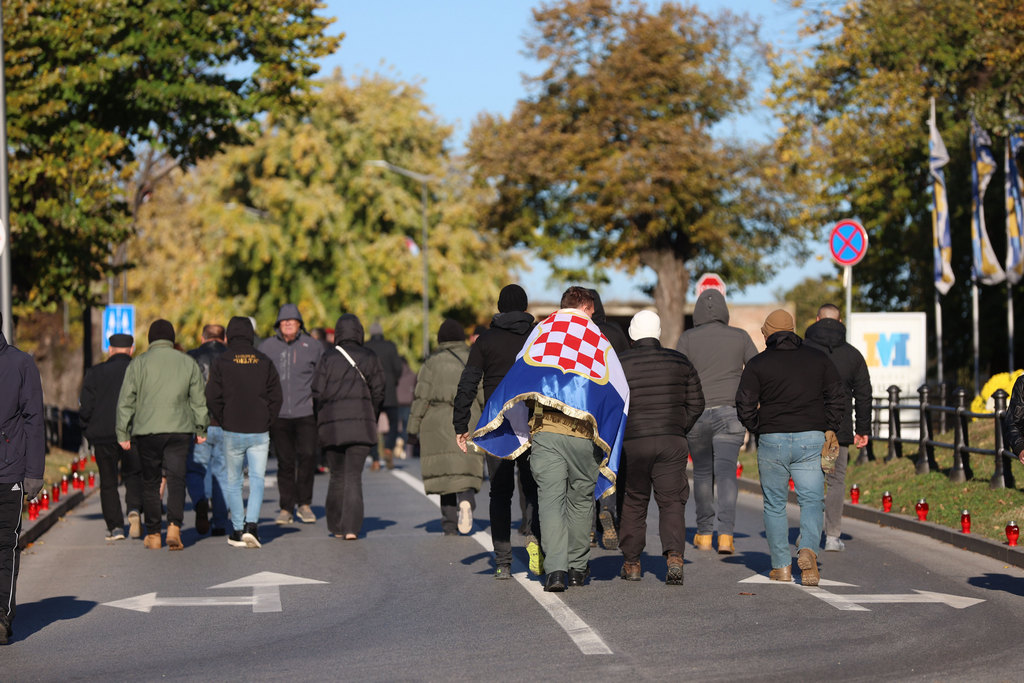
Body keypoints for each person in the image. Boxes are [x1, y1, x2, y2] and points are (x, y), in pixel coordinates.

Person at [470, 286, 629, 592]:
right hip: (584, 434)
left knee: (551, 501)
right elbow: (619, 389)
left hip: (547, 433)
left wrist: (519, 423)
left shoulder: (541, 331)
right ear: (585, 307)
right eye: (592, 311)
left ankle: (555, 570)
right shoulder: (598, 338)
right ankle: (578, 568)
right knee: (582, 501)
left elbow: (522, 371)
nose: (593, 317)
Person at [736, 309, 843, 586]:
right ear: (793, 330)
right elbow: (835, 395)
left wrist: (757, 425)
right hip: (811, 437)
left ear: (768, 333)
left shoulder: (759, 364)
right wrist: (829, 425)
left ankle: (781, 566)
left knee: (774, 505)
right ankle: (808, 549)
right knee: (811, 501)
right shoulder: (818, 359)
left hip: (773, 439)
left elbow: (744, 402)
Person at [453, 284, 541, 580]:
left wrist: (460, 424)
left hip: (498, 425)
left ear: (501, 307)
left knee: (500, 493)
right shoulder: (537, 337)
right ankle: (536, 545)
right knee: (534, 489)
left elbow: (468, 383)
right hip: (533, 421)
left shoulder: (486, 341)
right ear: (525, 306)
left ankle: (503, 561)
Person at [618, 311, 704, 584]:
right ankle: (675, 557)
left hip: (633, 442)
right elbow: (697, 403)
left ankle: (632, 563)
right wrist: (679, 427)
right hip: (671, 440)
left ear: (632, 335)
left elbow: (611, 404)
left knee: (634, 500)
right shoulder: (680, 361)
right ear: (658, 333)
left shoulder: (619, 364)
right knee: (672, 501)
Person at [676, 288, 757, 554]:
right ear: (724, 310)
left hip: (698, 414)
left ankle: (703, 533)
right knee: (726, 473)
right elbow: (757, 371)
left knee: (701, 474)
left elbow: (679, 376)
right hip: (731, 414)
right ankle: (726, 535)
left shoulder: (687, 338)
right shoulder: (740, 337)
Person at [116, 319, 209, 550]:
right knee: (177, 479)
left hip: (147, 430)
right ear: (171, 338)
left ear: (150, 339)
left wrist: (122, 433)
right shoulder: (187, 362)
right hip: (179, 429)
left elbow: (126, 401)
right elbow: (198, 400)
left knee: (151, 481)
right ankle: (175, 528)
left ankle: (155, 533)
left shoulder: (138, 364)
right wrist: (201, 428)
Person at [206, 317, 282, 549]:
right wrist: (267, 419)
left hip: (232, 429)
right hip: (259, 429)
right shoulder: (264, 361)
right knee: (257, 479)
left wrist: (223, 417)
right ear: (251, 335)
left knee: (234, 481)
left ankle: (238, 529)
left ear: (229, 336)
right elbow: (276, 396)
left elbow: (211, 396)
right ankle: (253, 526)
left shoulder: (222, 361)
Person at [803, 303, 872, 552]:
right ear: (840, 322)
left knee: (809, 480)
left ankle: (807, 534)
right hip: (837, 431)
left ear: (817, 319)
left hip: (807, 427)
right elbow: (864, 394)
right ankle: (832, 537)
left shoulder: (803, 350)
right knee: (834, 481)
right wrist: (863, 428)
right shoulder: (852, 355)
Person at [312, 314, 385, 539]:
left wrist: (321, 418)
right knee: (354, 475)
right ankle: (351, 528)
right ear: (359, 332)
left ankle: (335, 525)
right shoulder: (370, 356)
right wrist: (371, 414)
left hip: (332, 426)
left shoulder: (327, 357)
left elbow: (316, 392)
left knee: (337, 476)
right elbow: (379, 390)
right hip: (361, 425)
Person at [409, 320, 483, 535]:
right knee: (465, 466)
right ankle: (467, 500)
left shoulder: (432, 362)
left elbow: (421, 397)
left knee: (444, 472)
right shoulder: (473, 357)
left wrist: (412, 429)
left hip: (437, 419)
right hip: (469, 416)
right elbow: (481, 392)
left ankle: (449, 523)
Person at [0, 312, 45, 644]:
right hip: (11, 468)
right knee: (5, 547)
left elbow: (33, 419)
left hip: (9, 472)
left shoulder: (20, 364)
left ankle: (1, 615)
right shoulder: (21, 363)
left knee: (5, 545)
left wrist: (33, 472)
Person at [260, 304, 323, 525]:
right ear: (278, 324)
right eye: (283, 321)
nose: (287, 324)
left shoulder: (312, 346)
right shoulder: (267, 347)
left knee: (307, 457)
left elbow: (322, 377)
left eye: (292, 320)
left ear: (299, 324)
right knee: (285, 462)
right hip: (279, 414)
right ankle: (286, 507)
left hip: (305, 411)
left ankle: (304, 504)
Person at [79, 333, 143, 541]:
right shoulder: (139, 370)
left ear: (110, 349)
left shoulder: (96, 373)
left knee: (108, 482)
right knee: (133, 475)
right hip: (133, 433)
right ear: (131, 350)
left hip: (103, 434)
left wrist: (87, 428)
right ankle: (134, 508)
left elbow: (86, 406)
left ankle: (115, 527)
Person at [587, 288, 628, 550]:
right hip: (612, 406)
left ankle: (589, 527)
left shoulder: (580, 333)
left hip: (586, 407)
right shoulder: (614, 332)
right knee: (611, 460)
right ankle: (609, 510)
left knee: (585, 464)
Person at [186, 324, 229, 536]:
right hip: (224, 422)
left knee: (196, 469)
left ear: (203, 338)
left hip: (198, 423)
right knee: (223, 472)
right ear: (225, 338)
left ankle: (200, 500)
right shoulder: (232, 357)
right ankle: (220, 522)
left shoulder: (192, 357)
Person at [365, 322, 404, 471]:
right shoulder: (390, 346)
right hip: (389, 391)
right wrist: (393, 381)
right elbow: (398, 367)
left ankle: (375, 458)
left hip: (372, 391)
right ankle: (388, 448)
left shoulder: (366, 346)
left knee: (371, 425)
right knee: (394, 423)